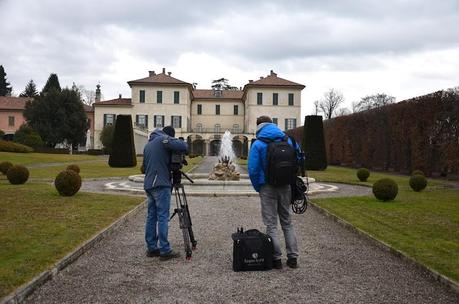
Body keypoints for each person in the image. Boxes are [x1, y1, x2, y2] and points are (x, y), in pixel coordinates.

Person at [248, 116, 300, 269]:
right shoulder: (288, 140)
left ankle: (276, 259)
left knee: (271, 224)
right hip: (285, 185)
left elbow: (253, 170)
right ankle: (293, 258)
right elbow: (298, 159)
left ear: (259, 127)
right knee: (287, 222)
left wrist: (259, 187)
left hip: (267, 186)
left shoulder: (258, 144)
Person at [143, 126, 187, 260]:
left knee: (152, 216)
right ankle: (164, 249)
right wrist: (174, 141)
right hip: (161, 183)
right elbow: (183, 146)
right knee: (162, 216)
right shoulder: (163, 140)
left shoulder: (148, 145)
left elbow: (144, 167)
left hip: (149, 184)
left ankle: (151, 247)